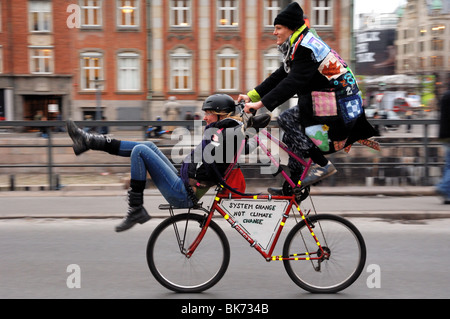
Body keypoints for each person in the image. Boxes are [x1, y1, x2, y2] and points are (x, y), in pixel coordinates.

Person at [239, 2, 377, 195]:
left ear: (291, 28)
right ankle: (293, 187)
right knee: (291, 136)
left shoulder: (306, 47)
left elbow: (292, 83)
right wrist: (252, 95)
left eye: (278, 28)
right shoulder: (299, 44)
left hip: (341, 104)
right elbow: (282, 75)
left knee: (287, 119)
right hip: (330, 101)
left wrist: (260, 105)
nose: (274, 32)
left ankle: (323, 165)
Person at [67, 94, 254, 232]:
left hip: (184, 193)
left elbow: (241, 144)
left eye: (209, 114)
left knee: (140, 151)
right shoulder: (224, 131)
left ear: (221, 115)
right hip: (184, 180)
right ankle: (90, 141)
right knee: (147, 144)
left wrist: (248, 125)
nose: (204, 118)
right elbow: (244, 141)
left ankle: (136, 208)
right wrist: (246, 122)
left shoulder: (223, 134)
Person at [436, 87, 450, 204]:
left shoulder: (445, 95)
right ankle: (443, 188)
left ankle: (447, 195)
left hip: (444, 135)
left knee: (448, 165)